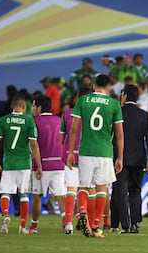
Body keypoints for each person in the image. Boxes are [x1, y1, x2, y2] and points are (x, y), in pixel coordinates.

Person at [67, 74, 124, 238]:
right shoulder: (114, 104)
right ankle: (96, 224)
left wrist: (71, 152)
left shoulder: (83, 101)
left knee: (84, 186)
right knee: (102, 188)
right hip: (105, 152)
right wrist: (119, 157)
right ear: (109, 87)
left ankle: (83, 210)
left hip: (86, 151)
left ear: (93, 85)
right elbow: (119, 134)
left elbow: (74, 129)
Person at [0, 95, 43, 234]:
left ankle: (6, 217)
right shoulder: (29, 121)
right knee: (24, 194)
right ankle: (22, 226)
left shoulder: (3, 121)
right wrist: (39, 166)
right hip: (24, 163)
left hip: (8, 163)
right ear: (24, 107)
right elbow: (34, 144)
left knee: (5, 192)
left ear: (12, 107)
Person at [111, 85, 148, 234]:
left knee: (120, 192)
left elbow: (111, 136)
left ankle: (126, 225)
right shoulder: (145, 115)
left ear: (124, 96)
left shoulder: (117, 112)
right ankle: (135, 223)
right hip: (139, 159)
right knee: (135, 190)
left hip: (120, 158)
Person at [29, 95, 65, 234]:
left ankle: (34, 227)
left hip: (41, 165)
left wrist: (38, 166)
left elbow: (33, 145)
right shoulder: (60, 120)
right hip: (59, 164)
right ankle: (67, 224)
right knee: (60, 195)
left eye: (34, 106)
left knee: (37, 196)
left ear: (39, 107)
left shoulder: (34, 122)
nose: (33, 109)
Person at [60, 87, 93, 234]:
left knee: (71, 190)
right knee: (86, 189)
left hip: (70, 155)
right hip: (88, 155)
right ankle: (86, 219)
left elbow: (62, 138)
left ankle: (68, 223)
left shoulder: (67, 114)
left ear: (76, 98)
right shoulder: (92, 114)